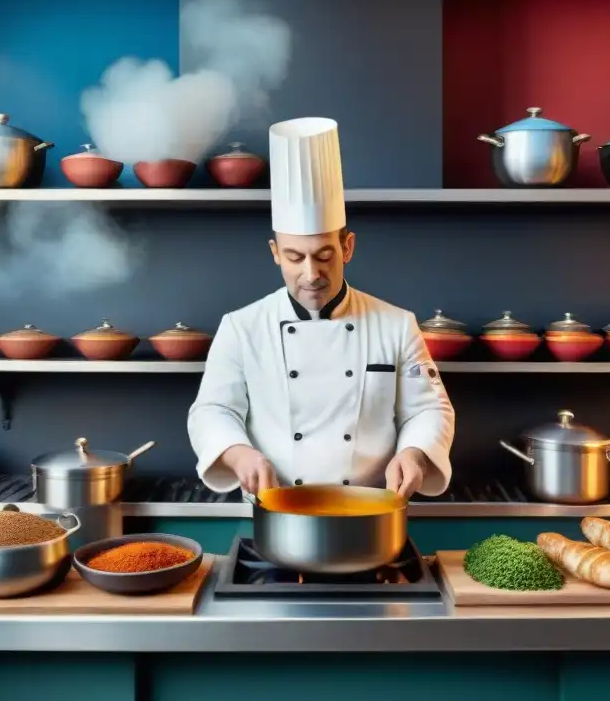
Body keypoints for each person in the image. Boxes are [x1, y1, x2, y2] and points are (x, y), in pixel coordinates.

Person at [187, 117, 455, 500]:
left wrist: (413, 454)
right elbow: (211, 410)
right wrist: (239, 454)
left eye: (324, 256)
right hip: (274, 513)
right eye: (295, 257)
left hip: (369, 512)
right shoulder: (241, 327)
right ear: (275, 254)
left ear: (347, 248)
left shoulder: (397, 325)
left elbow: (430, 411)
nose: (311, 274)